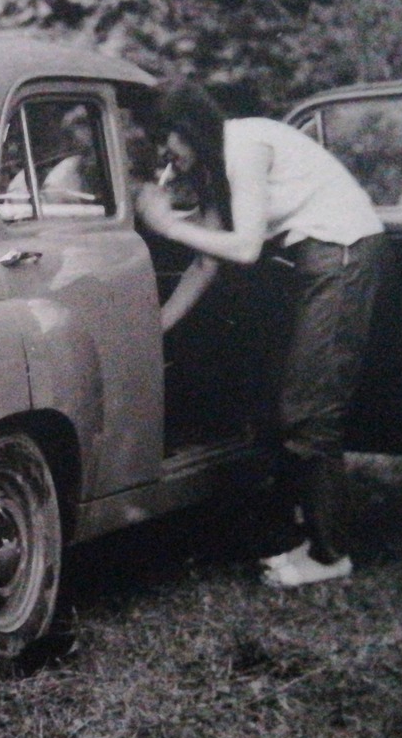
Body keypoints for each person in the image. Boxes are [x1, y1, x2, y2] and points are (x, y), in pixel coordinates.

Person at [135, 83, 386, 588]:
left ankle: (330, 553)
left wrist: (165, 225)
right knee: (286, 402)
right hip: (320, 256)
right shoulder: (217, 169)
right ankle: (309, 540)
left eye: (168, 141)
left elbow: (245, 248)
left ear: (192, 129)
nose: (164, 156)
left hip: (341, 253)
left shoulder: (243, 147)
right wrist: (154, 332)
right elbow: (207, 261)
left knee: (308, 409)